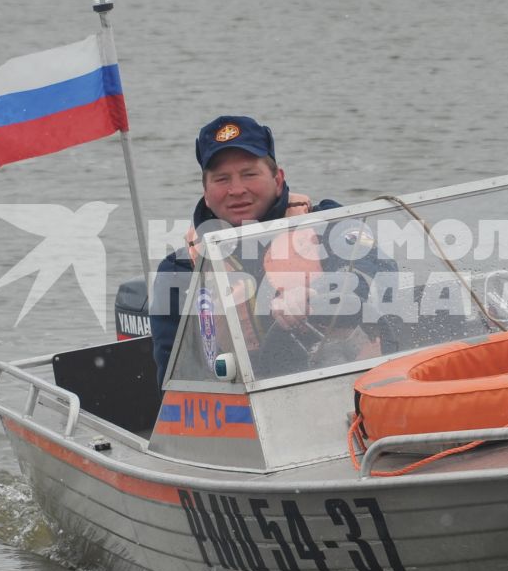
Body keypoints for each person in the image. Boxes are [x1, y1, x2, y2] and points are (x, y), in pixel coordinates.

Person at [149, 115, 371, 385]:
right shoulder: (180, 269)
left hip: (352, 387)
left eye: (249, 174)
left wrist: (320, 295)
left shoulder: (328, 225)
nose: (237, 189)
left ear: (278, 179)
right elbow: (174, 383)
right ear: (206, 191)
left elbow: (378, 278)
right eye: (222, 179)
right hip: (244, 412)